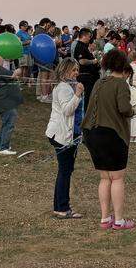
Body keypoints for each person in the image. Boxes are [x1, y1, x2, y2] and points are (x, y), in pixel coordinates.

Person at [81, 49, 136, 230]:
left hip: (92, 133)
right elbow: (124, 108)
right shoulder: (121, 84)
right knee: (117, 178)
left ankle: (105, 218)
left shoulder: (99, 82)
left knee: (104, 178)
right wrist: (132, 111)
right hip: (112, 134)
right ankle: (119, 220)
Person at [45, 58, 84, 219]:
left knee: (65, 171)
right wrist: (78, 94)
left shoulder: (68, 86)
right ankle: (62, 207)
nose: (76, 73)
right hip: (62, 136)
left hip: (70, 134)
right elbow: (67, 110)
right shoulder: (63, 88)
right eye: (73, 70)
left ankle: (60, 206)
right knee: (65, 171)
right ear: (65, 71)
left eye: (77, 70)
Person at [0, 51, 24, 155]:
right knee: (9, 121)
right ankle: (3, 148)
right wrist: (18, 71)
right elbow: (12, 76)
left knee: (6, 122)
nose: (3, 61)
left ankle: (0, 145)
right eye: (2, 58)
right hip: (2, 101)